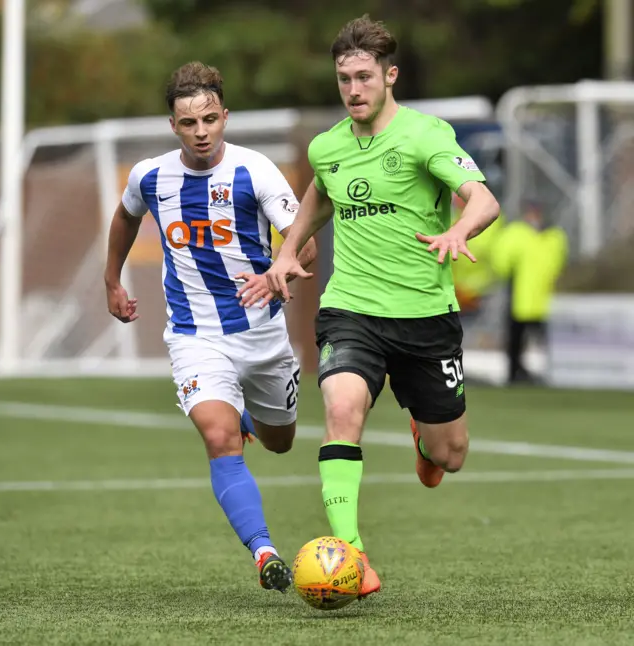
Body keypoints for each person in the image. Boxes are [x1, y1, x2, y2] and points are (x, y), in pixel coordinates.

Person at [264, 16, 500, 598]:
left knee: (453, 455)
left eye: (364, 76)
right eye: (344, 78)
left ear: (390, 76)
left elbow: (484, 199)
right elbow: (320, 195)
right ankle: (354, 555)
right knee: (342, 408)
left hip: (426, 315)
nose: (353, 89)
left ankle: (424, 437)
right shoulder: (329, 147)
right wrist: (287, 251)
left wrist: (459, 231)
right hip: (352, 308)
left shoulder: (426, 136)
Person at [104, 61, 316, 593]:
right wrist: (112, 280)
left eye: (210, 119)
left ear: (225, 115)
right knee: (221, 438)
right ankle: (264, 551)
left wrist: (275, 271)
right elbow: (126, 216)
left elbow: (304, 243)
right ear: (173, 125)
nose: (201, 132)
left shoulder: (256, 171)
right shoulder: (150, 176)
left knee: (280, 442)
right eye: (189, 123)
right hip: (194, 335)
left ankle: (249, 410)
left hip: (263, 335)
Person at [491, 200, 568, 384]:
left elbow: (560, 263)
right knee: (516, 337)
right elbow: (501, 260)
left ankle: (549, 374)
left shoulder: (554, 236)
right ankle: (514, 373)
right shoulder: (516, 233)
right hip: (521, 294)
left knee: (546, 340)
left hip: (547, 296)